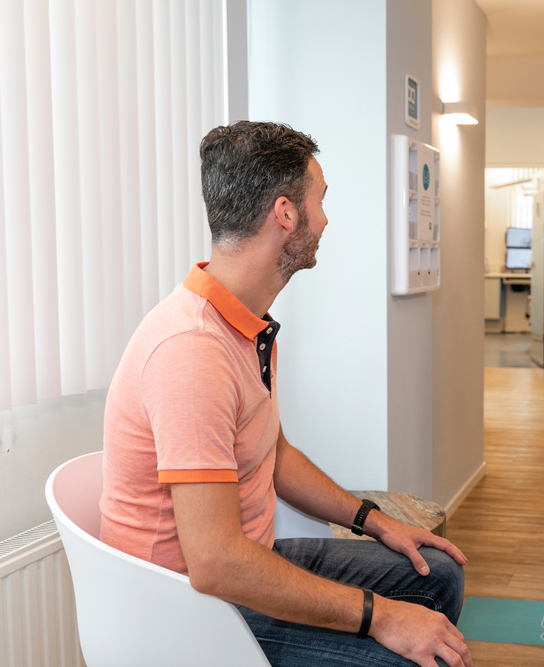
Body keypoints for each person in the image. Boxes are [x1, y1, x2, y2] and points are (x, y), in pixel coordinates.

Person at [100, 121, 473, 667]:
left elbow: (275, 455)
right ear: (286, 214)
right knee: (411, 653)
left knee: (437, 575)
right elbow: (215, 563)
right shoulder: (192, 352)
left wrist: (375, 521)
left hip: (244, 562)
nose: (326, 219)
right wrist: (382, 616)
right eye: (320, 199)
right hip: (187, 611)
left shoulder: (246, 324)